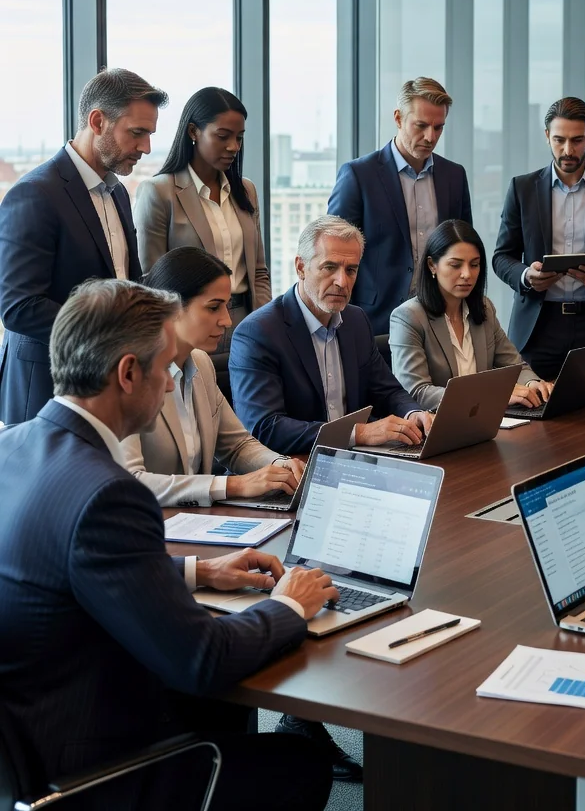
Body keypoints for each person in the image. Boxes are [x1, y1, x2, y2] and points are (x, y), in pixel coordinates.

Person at [0, 278, 335, 811]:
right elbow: (203, 659)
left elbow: (67, 567)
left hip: (29, 735)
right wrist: (290, 604)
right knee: (299, 762)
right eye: (163, 369)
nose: (168, 382)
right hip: (86, 772)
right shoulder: (109, 492)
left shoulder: (12, 446)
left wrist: (196, 573)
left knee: (220, 713)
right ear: (128, 373)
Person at [0, 68, 166, 426]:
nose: (146, 148)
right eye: (137, 133)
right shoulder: (35, 194)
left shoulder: (119, 191)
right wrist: (112, 336)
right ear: (97, 121)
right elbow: (19, 307)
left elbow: (125, 280)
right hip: (45, 392)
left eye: (150, 135)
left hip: (106, 388)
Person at [230, 215, 432, 455]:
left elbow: (387, 391)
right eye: (330, 267)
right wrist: (358, 433)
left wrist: (414, 413)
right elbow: (265, 428)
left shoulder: (356, 321)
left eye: (351, 270)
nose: (341, 281)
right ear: (301, 267)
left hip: (355, 462)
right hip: (293, 467)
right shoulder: (258, 332)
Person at [121, 248, 302, 508]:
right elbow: (132, 480)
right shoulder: (130, 374)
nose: (227, 320)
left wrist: (279, 465)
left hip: (194, 525)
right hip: (147, 527)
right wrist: (232, 485)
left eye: (227, 307)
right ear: (169, 306)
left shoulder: (202, 364)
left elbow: (237, 445)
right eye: (214, 307)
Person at [134, 86, 271, 398]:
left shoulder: (245, 191)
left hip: (244, 325)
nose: (234, 146)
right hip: (190, 328)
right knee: (196, 415)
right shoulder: (159, 193)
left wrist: (262, 327)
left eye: (239, 137)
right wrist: (175, 337)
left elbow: (258, 271)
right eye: (223, 136)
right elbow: (150, 283)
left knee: (243, 416)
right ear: (193, 131)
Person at [492, 96, 585, 380]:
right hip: (538, 327)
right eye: (559, 140)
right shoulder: (522, 188)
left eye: (577, 140)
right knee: (533, 415)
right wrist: (526, 276)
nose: (567, 150)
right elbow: (501, 257)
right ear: (547, 136)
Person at [327, 77, 472, 335]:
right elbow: (335, 251)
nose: (430, 137)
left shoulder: (454, 176)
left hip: (440, 318)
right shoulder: (359, 175)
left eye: (438, 127)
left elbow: (463, 248)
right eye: (421, 125)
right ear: (398, 118)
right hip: (375, 319)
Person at [390, 219, 553, 411]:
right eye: (456, 265)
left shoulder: (484, 308)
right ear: (432, 265)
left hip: (484, 421)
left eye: (474, 265)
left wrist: (531, 383)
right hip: (437, 427)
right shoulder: (408, 317)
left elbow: (515, 366)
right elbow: (417, 392)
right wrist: (491, 395)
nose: (467, 274)